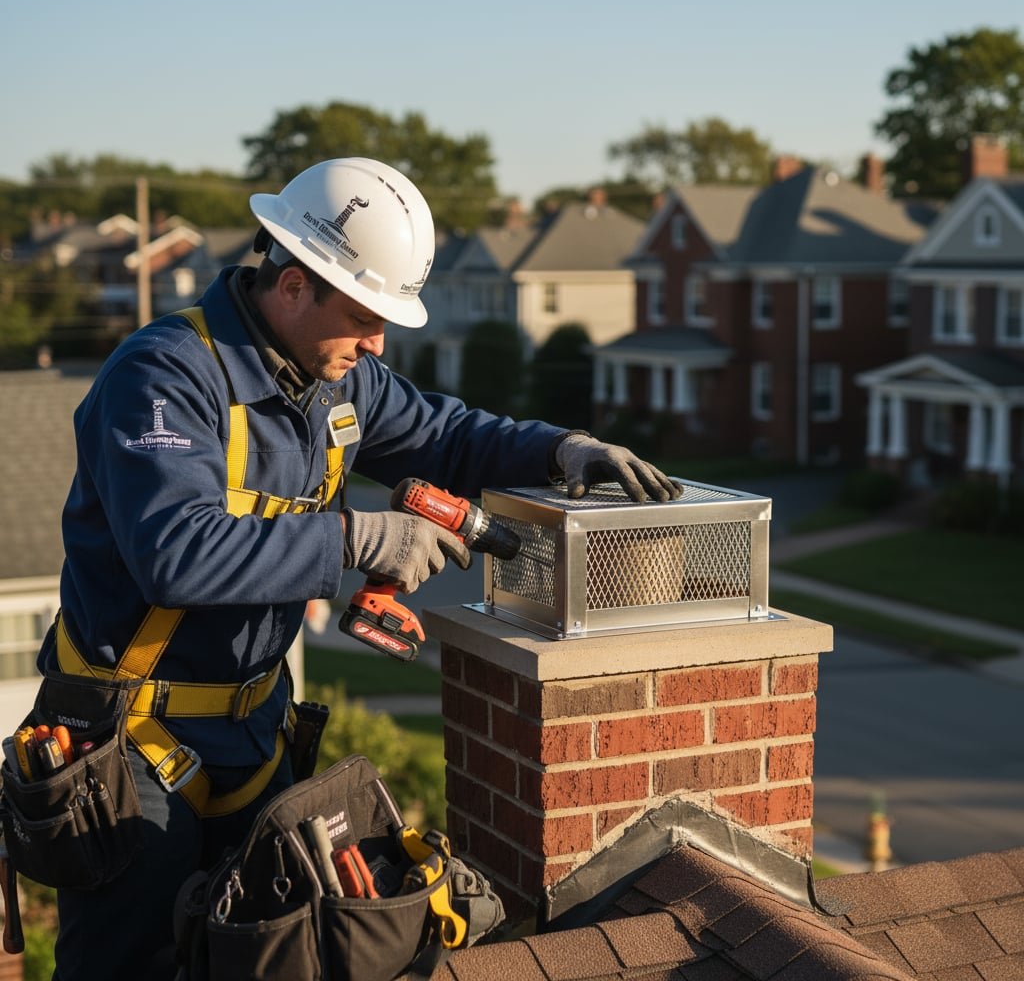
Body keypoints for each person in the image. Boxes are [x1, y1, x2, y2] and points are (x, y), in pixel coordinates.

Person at [36, 156, 682, 979]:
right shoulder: (162, 376)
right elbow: (175, 553)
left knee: (266, 960)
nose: (377, 343)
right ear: (294, 283)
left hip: (255, 736)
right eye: (364, 317)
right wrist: (358, 539)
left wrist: (563, 449)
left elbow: (450, 437)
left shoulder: (340, 380)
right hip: (132, 744)